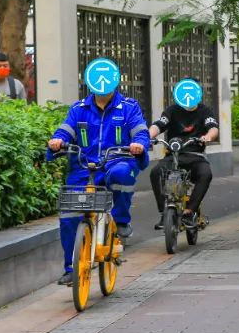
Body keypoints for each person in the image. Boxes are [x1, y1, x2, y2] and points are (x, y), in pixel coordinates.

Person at [47, 62, 149, 286]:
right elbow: (66, 129)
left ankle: (121, 221)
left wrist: (138, 145)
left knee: (121, 175)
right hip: (84, 168)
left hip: (117, 161)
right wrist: (58, 141)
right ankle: (71, 267)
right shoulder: (79, 108)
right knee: (69, 214)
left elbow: (140, 131)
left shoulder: (129, 107)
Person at [148, 80, 219, 229]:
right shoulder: (172, 110)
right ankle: (164, 213)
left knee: (206, 174)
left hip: (195, 156)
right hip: (173, 155)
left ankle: (189, 212)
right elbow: (159, 125)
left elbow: (213, 128)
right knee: (155, 173)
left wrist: (208, 137)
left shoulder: (205, 111)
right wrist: (147, 136)